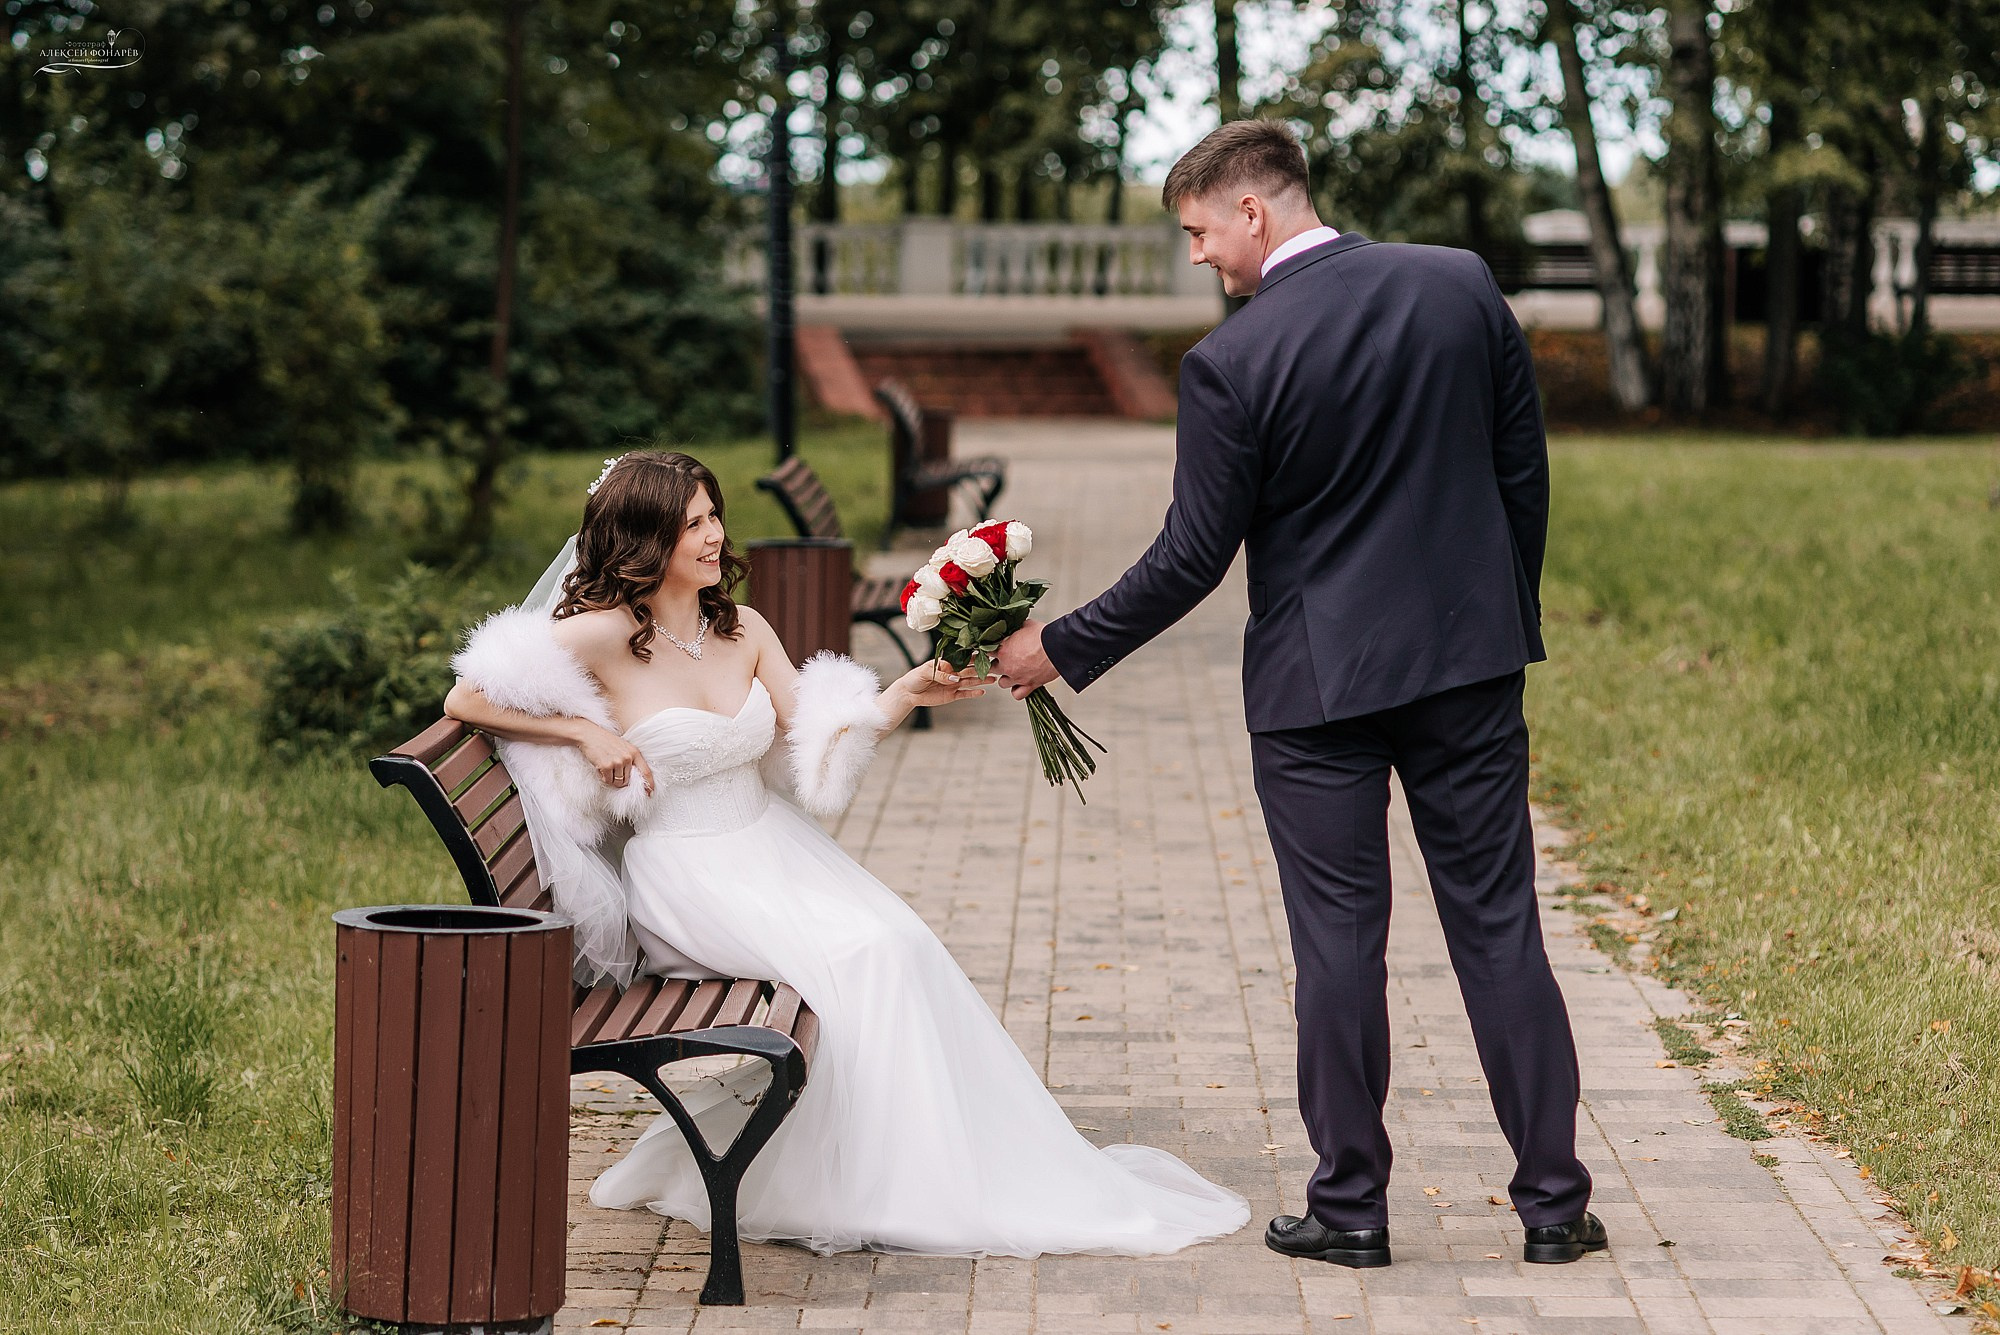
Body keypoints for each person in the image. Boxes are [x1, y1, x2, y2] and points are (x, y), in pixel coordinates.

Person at [994, 120, 1604, 1268]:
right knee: (1498, 926)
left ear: (1252, 214)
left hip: (1314, 691)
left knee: (1336, 943)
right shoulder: (1458, 286)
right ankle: (1553, 1208)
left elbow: (1189, 556)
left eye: (1195, 231)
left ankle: (1351, 1212)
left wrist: (1058, 648)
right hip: (1465, 669)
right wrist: (1489, 615)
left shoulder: (1232, 361)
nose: (1196, 258)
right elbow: (1519, 472)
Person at [442, 449, 1248, 1257]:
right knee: (860, 955)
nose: (715, 534)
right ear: (643, 540)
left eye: (714, 514)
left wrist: (900, 693)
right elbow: (467, 695)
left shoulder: (741, 626)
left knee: (902, 943)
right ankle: (885, 1185)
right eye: (692, 524)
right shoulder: (602, 636)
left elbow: (809, 734)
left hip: (768, 844)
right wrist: (582, 727)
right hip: (683, 871)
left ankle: (951, 1168)